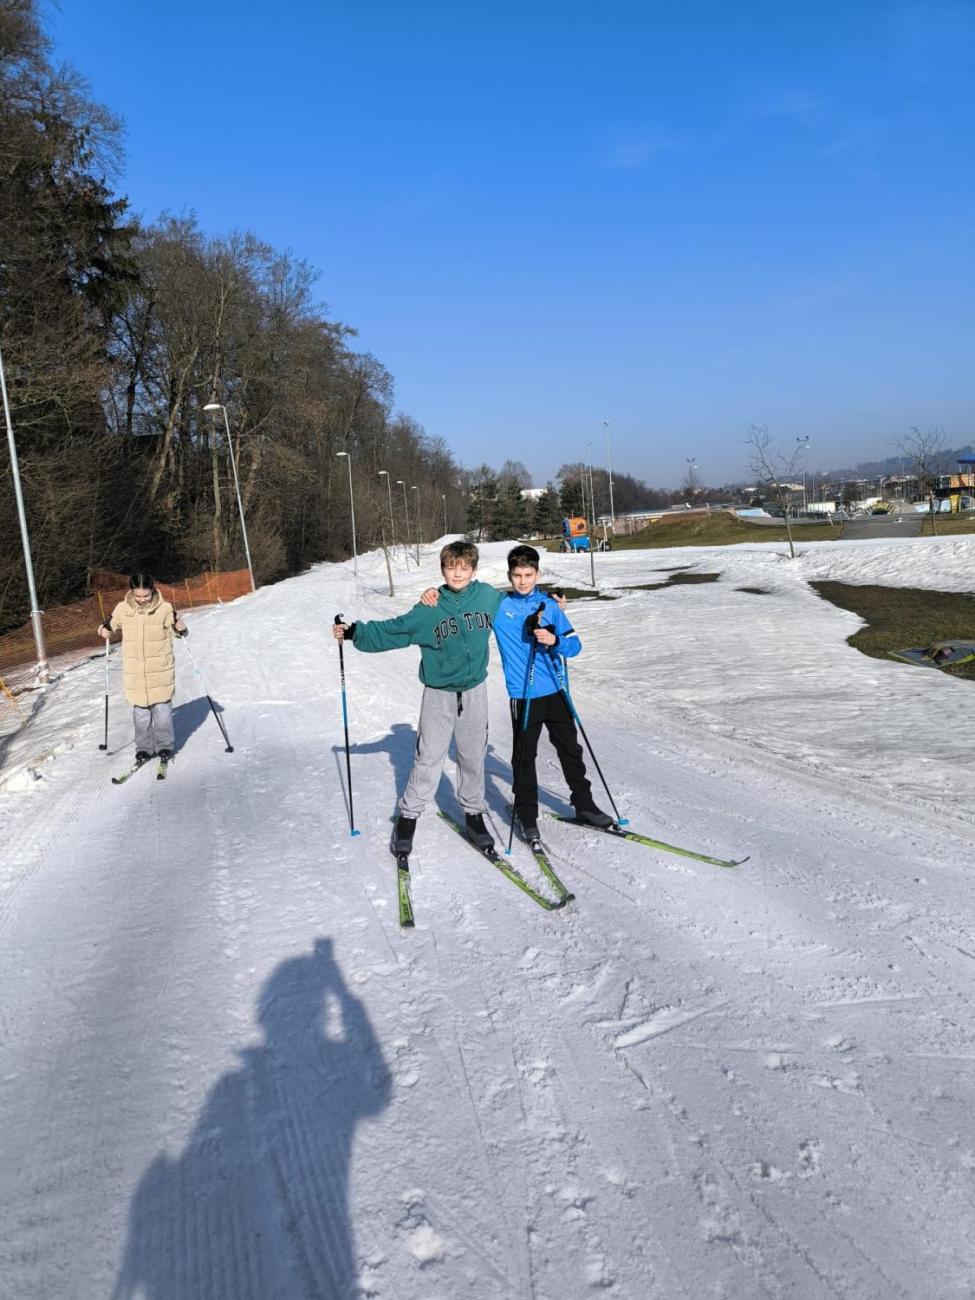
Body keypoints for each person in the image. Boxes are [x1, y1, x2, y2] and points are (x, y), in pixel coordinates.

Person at [332, 541, 502, 855]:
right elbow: (396, 630)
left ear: (474, 569)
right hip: (439, 694)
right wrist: (354, 631)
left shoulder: (488, 597)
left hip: (475, 692)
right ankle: (408, 816)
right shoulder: (430, 607)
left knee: (472, 756)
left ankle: (473, 813)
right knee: (429, 758)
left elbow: (519, 606)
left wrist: (550, 606)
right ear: (442, 570)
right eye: (451, 567)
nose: (458, 573)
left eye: (464, 567)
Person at [493, 545, 613, 841]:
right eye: (517, 575)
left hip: (556, 690)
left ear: (538, 574)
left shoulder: (550, 605)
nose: (522, 581)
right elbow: (466, 597)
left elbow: (575, 646)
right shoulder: (498, 606)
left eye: (528, 574)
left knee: (570, 749)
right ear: (509, 575)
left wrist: (554, 639)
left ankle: (584, 804)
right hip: (523, 695)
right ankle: (526, 813)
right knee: (524, 757)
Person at [98, 573, 186, 763]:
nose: (142, 600)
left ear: (152, 590)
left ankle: (164, 746)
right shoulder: (122, 609)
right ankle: (144, 748)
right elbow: (108, 627)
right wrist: (103, 630)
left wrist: (180, 628)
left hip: (160, 669)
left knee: (162, 713)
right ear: (131, 592)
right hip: (135, 672)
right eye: (138, 596)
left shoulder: (164, 608)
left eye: (145, 595)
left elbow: (176, 632)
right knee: (141, 716)